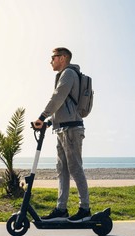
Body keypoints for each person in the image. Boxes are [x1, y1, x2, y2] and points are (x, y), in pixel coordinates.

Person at [33, 47, 91, 223]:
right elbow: (64, 107)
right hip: (62, 128)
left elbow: (58, 97)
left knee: (75, 168)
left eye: (53, 57)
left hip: (71, 130)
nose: (51, 61)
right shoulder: (66, 74)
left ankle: (85, 209)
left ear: (63, 58)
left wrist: (42, 116)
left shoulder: (68, 74)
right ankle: (61, 209)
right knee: (62, 170)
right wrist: (50, 122)